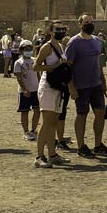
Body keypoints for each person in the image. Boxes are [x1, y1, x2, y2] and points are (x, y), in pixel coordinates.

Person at [65, 14, 107, 158]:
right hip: (81, 85)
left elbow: (98, 63)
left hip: (95, 84)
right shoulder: (74, 42)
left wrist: (103, 81)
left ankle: (98, 144)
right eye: (86, 22)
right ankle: (81, 146)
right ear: (80, 24)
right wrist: (71, 87)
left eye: (91, 22)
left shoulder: (97, 41)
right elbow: (68, 67)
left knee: (100, 113)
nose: (89, 24)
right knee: (82, 115)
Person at [33, 21, 71, 167]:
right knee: (46, 122)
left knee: (54, 122)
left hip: (58, 88)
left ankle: (52, 154)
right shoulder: (46, 47)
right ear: (50, 31)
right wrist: (55, 66)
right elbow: (36, 66)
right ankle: (39, 156)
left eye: (63, 29)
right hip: (48, 87)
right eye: (58, 29)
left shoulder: (61, 47)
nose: (61, 31)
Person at [14, 40, 41, 141]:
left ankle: (33, 130)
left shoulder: (35, 60)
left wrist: (40, 87)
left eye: (30, 49)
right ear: (21, 50)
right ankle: (26, 131)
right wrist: (24, 89)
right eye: (26, 49)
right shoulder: (18, 63)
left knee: (37, 110)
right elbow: (19, 78)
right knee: (25, 111)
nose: (29, 51)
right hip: (24, 91)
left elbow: (38, 74)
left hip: (36, 89)